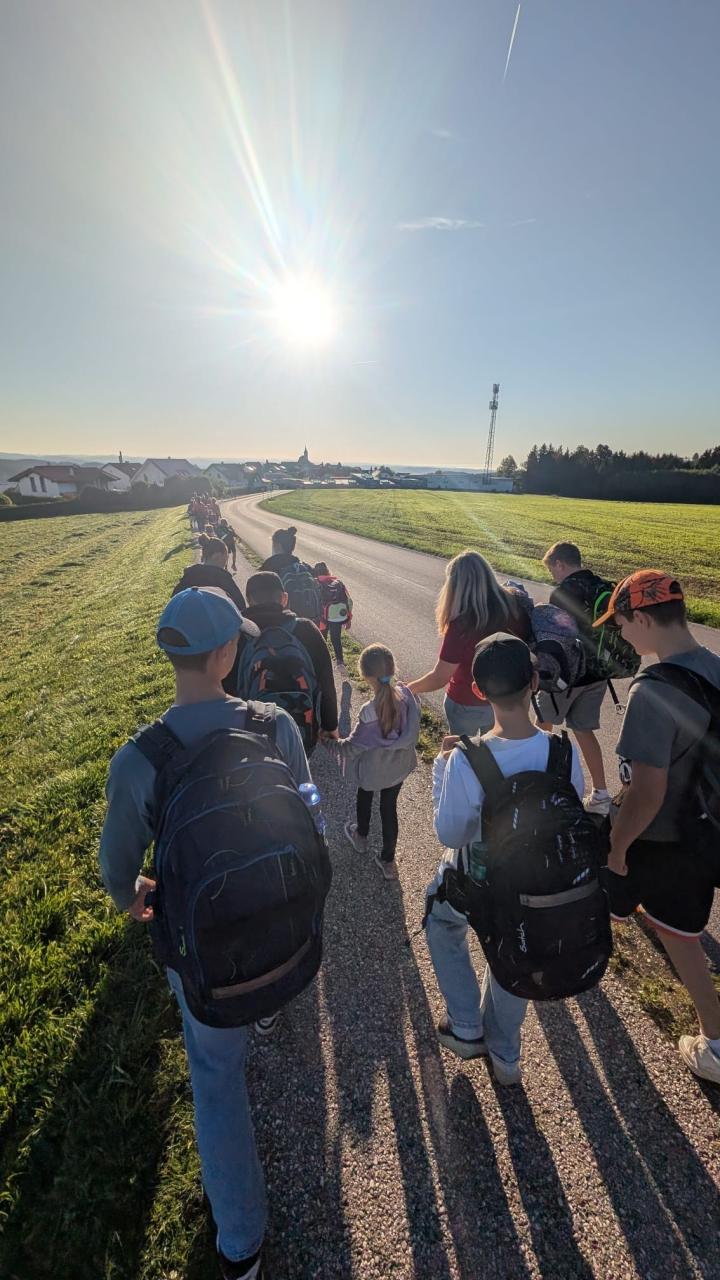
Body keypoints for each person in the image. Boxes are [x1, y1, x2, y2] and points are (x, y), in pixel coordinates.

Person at [99, 588, 314, 1279]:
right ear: (226, 654)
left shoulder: (140, 759)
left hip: (203, 951)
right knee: (264, 973)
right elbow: (306, 814)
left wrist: (130, 895)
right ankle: (268, 1006)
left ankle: (241, 1243)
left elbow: (117, 868)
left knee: (216, 1077)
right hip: (280, 922)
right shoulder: (274, 726)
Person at [424, 634, 585, 1084]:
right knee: (516, 952)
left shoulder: (467, 759)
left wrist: (440, 767)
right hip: (540, 882)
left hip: (483, 882)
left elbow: (450, 833)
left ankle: (465, 1023)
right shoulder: (562, 751)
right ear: (534, 681)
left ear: (478, 691)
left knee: (440, 918)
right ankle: (506, 1055)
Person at [598, 570, 720, 1086]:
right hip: (709, 828)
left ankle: (714, 1046)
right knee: (680, 928)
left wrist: (617, 848)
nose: (621, 635)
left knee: (676, 936)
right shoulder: (714, 667)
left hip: (668, 841)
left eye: (621, 623)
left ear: (643, 618)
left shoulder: (653, 691)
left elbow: (646, 793)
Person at [407, 550, 530, 737]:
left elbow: (440, 677)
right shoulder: (514, 607)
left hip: (465, 702)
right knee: (496, 750)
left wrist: (409, 689)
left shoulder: (462, 624)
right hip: (505, 702)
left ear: (455, 586)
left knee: (463, 750)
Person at [324, 644, 419, 880]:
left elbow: (349, 748)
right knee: (389, 809)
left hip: (373, 772)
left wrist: (325, 741)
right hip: (398, 769)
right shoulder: (407, 697)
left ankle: (361, 836)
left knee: (364, 796)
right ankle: (388, 862)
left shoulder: (369, 713)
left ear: (366, 676)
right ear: (392, 669)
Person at [536, 541, 613, 815]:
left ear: (560, 564)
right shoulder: (603, 587)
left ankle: (536, 787)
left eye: (552, 570)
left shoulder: (563, 594)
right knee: (583, 729)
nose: (554, 576)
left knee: (542, 725)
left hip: (568, 678)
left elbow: (557, 639)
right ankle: (601, 794)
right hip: (599, 675)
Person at [239, 572, 339, 748]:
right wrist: (330, 725)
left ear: (249, 600)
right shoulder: (306, 630)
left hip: (251, 739)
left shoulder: (238, 634)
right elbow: (326, 683)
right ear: (284, 598)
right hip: (301, 734)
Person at [174, 535, 246, 613]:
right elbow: (241, 607)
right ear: (217, 556)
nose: (226, 562)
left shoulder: (190, 575)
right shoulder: (223, 579)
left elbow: (174, 599)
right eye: (226, 557)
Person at [312, 561, 352, 668]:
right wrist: (348, 619)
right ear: (327, 571)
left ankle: (323, 664)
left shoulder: (314, 583)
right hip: (336, 617)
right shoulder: (338, 583)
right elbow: (349, 601)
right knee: (336, 639)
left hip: (321, 618)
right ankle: (340, 663)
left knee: (322, 640)